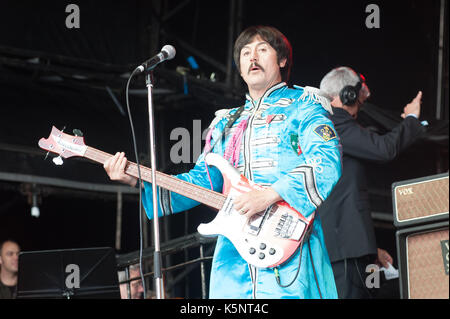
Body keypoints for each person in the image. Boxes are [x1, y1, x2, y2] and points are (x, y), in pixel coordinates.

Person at [104, 25, 342, 299]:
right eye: (245, 53)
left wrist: (268, 195)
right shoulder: (227, 121)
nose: (252, 57)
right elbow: (203, 181)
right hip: (235, 254)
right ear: (239, 68)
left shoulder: (304, 105)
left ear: (282, 60)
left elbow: (326, 161)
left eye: (262, 49)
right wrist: (138, 179)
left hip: (288, 242)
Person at [317, 66, 426, 298]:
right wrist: (412, 119)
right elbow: (383, 149)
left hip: (346, 247)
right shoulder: (334, 123)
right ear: (346, 95)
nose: (360, 102)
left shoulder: (329, 124)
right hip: (342, 249)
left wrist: (370, 249)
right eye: (357, 95)